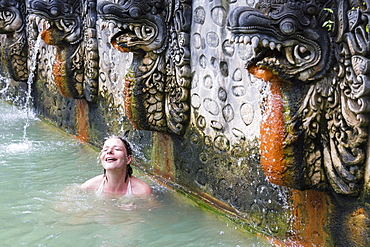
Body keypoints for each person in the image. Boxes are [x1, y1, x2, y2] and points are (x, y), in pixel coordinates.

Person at [81, 136, 152, 196]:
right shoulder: (89, 187)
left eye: (117, 149)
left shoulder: (143, 191)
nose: (109, 151)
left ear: (128, 159)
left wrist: (133, 212)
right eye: (105, 150)